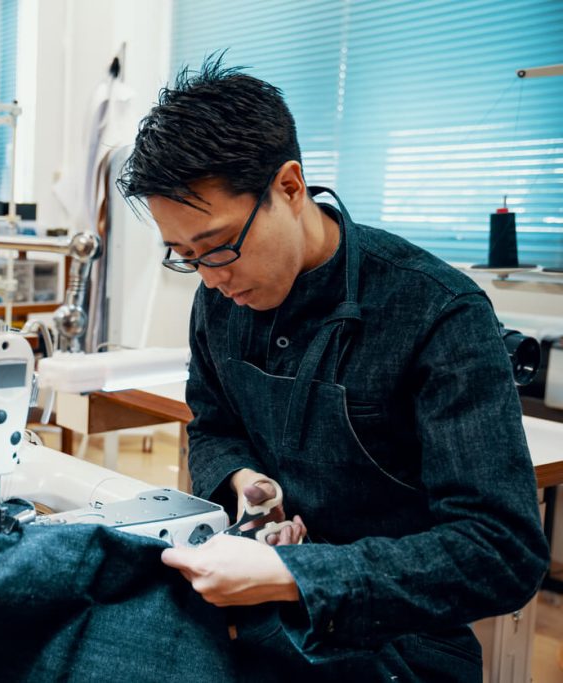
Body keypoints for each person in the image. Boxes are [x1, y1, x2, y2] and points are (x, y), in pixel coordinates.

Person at [117, 55, 549, 681]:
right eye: (184, 256)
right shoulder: (220, 297)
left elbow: (499, 551)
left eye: (217, 248)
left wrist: (298, 575)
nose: (210, 277)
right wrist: (244, 482)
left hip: (398, 645)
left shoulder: (435, 312)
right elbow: (212, 422)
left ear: (289, 187)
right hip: (261, 615)